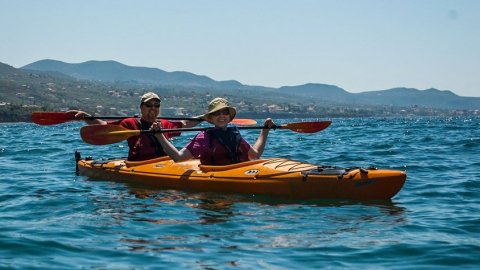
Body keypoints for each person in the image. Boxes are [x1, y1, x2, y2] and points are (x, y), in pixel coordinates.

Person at [72, 92, 200, 161]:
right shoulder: (130, 123)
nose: (153, 109)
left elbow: (185, 124)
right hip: (139, 164)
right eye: (149, 105)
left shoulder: (164, 123)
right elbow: (104, 126)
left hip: (164, 162)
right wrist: (87, 117)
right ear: (141, 107)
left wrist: (204, 117)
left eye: (156, 105)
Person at [155, 97, 275, 165]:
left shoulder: (234, 134)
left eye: (225, 112)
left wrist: (265, 131)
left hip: (237, 171)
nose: (221, 116)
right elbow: (178, 157)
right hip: (215, 174)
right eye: (217, 113)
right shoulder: (204, 137)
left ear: (229, 116)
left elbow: (254, 155)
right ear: (211, 118)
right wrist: (160, 136)